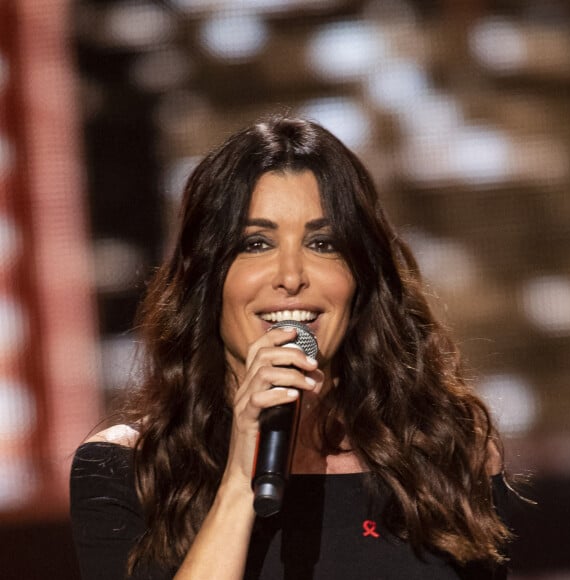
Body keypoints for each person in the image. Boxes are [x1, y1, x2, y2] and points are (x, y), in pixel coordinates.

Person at [70, 115, 514, 580]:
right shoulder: (128, 471)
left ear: (360, 276)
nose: (291, 275)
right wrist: (243, 477)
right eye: (256, 243)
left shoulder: (447, 451)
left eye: (322, 243)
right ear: (208, 275)